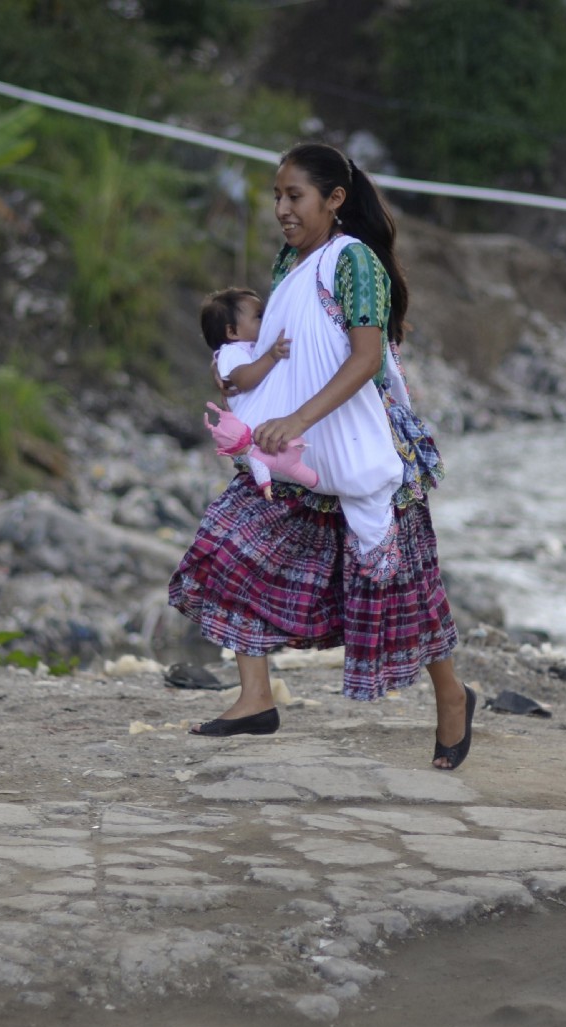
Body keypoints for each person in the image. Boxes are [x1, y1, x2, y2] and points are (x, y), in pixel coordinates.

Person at [169, 143, 474, 771]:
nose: (281, 208)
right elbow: (278, 346)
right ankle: (255, 697)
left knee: (408, 590)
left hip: (358, 452)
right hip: (293, 459)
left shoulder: (356, 263)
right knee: (230, 551)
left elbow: (364, 359)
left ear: (334, 200)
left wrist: (297, 418)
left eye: (294, 196)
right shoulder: (292, 259)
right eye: (276, 196)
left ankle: (451, 696)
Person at [197, 288, 310, 492]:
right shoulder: (231, 353)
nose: (266, 320)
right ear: (232, 332)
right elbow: (244, 380)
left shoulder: (248, 348)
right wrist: (271, 356)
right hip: (253, 430)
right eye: (259, 316)